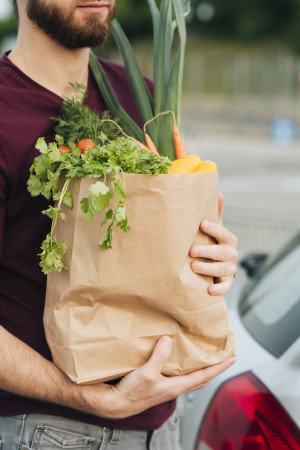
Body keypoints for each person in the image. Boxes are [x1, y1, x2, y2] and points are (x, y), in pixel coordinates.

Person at [0, 0, 238, 448]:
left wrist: (213, 256)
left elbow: (168, 238)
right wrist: (90, 399)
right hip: (48, 430)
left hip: (162, 427)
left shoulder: (139, 94)